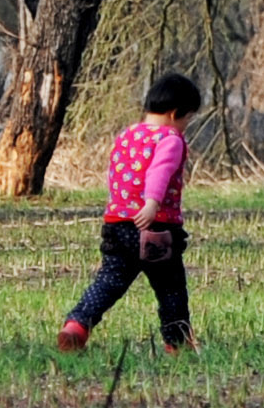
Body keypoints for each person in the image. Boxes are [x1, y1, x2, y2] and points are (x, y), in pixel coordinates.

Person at [56, 70, 200, 355]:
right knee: (170, 288)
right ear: (174, 113)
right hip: (155, 226)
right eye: (187, 119)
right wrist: (151, 203)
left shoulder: (127, 135)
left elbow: (118, 174)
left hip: (118, 224)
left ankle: (77, 325)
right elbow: (160, 172)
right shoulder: (170, 139)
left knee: (110, 280)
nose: (186, 126)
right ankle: (178, 342)